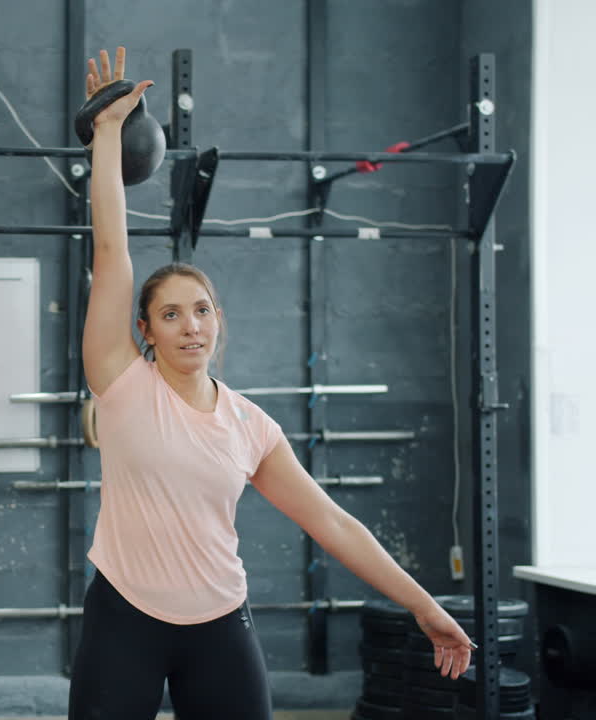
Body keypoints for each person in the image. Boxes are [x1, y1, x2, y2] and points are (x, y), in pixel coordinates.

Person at [69, 46, 474, 720]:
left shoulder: (250, 425)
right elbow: (111, 251)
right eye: (170, 315)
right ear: (146, 329)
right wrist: (108, 134)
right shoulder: (120, 383)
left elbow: (333, 522)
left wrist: (424, 606)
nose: (190, 326)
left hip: (221, 624)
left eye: (201, 311)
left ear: (218, 322)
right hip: (124, 622)